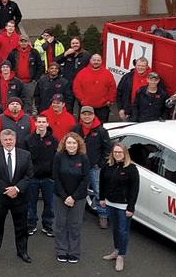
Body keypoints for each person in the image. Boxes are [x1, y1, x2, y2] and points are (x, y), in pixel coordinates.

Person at [0, 129, 33, 263]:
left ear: (15, 140)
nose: (8, 142)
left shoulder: (26, 155)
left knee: (21, 226)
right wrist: (7, 190)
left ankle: (22, 252)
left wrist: (16, 189)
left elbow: (29, 175)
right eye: (5, 140)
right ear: (1, 141)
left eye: (10, 139)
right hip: (0, 197)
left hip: (20, 197)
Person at [100, 143, 140, 272]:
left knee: (123, 231)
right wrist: (101, 198)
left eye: (120, 152)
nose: (117, 154)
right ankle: (116, 250)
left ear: (125, 153)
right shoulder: (107, 166)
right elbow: (102, 183)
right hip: (110, 203)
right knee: (115, 229)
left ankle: (121, 256)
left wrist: (130, 208)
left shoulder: (131, 169)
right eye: (115, 152)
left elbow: (134, 190)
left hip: (123, 206)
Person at [71, 106, 111, 229]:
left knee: (99, 191)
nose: (86, 116)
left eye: (89, 114)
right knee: (77, 190)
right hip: (78, 166)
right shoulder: (76, 129)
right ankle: (77, 214)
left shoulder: (101, 131)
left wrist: (100, 163)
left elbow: (107, 148)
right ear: (81, 116)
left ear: (94, 115)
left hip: (95, 167)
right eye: (84, 114)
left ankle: (103, 215)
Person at [52, 132, 90, 263]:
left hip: (78, 197)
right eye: (69, 143)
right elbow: (56, 177)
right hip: (60, 196)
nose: (71, 145)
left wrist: (73, 197)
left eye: (74, 143)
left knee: (75, 224)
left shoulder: (83, 158)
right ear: (64, 144)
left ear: (78, 144)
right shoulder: (58, 156)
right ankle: (61, 250)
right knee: (61, 223)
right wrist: (64, 196)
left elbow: (86, 179)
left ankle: (74, 251)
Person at [24, 114, 58, 237]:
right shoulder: (28, 139)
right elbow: (25, 160)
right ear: (36, 123)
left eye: (44, 122)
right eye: (39, 122)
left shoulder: (53, 140)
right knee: (31, 203)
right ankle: (31, 225)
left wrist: (53, 176)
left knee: (49, 204)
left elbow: (56, 159)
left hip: (48, 179)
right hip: (33, 178)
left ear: (47, 124)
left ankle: (47, 226)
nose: (42, 124)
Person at [73, 54, 116, 123]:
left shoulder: (107, 73)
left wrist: (110, 100)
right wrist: (82, 100)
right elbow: (76, 87)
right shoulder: (82, 73)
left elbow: (112, 88)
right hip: (86, 107)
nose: (96, 62)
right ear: (90, 61)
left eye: (98, 60)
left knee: (101, 127)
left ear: (102, 61)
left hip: (102, 107)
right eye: (94, 60)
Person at [7, 34, 43, 115]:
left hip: (30, 82)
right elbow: (9, 65)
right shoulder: (13, 53)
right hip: (16, 81)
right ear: (19, 42)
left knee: (28, 101)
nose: (23, 43)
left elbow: (40, 67)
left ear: (28, 42)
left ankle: (27, 117)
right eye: (22, 41)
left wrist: (35, 80)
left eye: (25, 41)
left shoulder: (34, 53)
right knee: (15, 100)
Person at [54, 36, 91, 115]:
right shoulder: (68, 54)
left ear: (80, 44)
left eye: (77, 43)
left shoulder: (86, 55)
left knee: (82, 105)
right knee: (68, 106)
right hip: (68, 83)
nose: (75, 45)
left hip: (81, 84)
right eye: (73, 43)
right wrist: (65, 54)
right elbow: (55, 61)